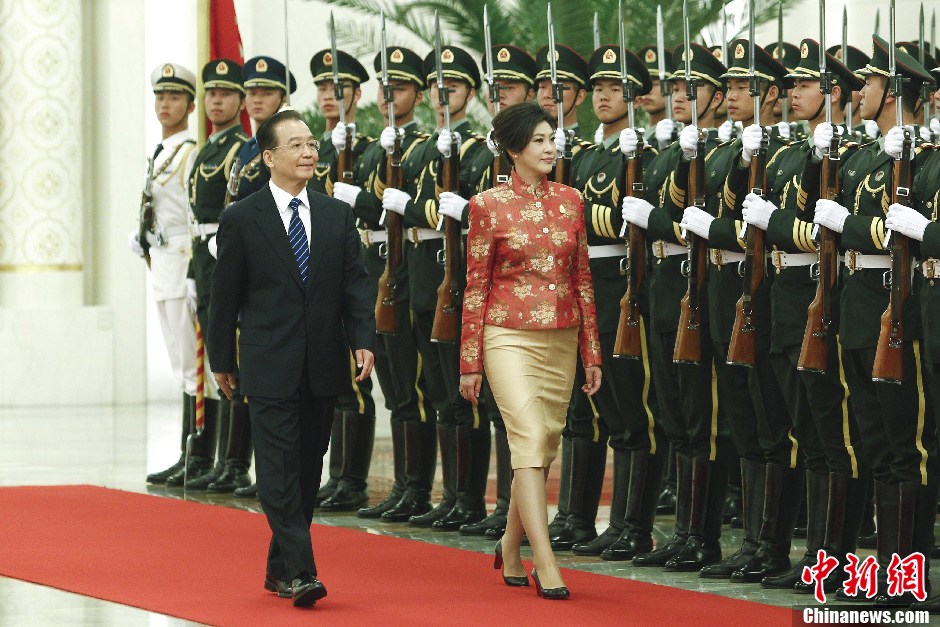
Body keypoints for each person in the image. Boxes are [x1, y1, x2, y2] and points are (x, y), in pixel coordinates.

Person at [208, 108, 375, 607]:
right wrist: (221, 359)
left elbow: (355, 285)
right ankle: (302, 571)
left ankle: (278, 567)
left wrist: (362, 338)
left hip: (322, 362)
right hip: (267, 362)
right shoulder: (241, 217)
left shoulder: (334, 214)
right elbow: (225, 296)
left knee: (306, 467)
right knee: (278, 467)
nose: (308, 152)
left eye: (311, 144)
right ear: (269, 157)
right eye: (296, 145)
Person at [737, 39, 868, 592]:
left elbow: (826, 232)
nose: (791, 94)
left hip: (825, 302)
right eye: (788, 86)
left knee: (835, 434)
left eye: (803, 86)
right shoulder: (792, 151)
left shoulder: (851, 154)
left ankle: (837, 556)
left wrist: (783, 220)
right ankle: (816, 554)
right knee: (807, 434)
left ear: (833, 92)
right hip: (785, 303)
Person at [811, 37, 937, 604]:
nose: (857, 93)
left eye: (868, 84)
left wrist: (857, 228)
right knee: (874, 443)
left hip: (902, 314)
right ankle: (888, 575)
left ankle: (906, 582)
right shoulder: (865, 158)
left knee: (907, 446)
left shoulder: (929, 162)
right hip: (860, 312)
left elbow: (897, 231)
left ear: (897, 92)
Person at [459, 101, 602, 599]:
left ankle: (510, 544)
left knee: (541, 447)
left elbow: (581, 278)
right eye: (539, 140)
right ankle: (547, 561)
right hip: (506, 335)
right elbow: (474, 287)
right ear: (513, 149)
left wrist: (592, 353)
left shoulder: (571, 200)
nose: (550, 147)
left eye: (551, 138)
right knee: (528, 436)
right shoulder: (485, 205)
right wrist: (469, 362)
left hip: (561, 337)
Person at [622, 43, 732, 569]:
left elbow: (706, 226)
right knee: (676, 419)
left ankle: (703, 535)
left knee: (702, 419)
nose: (681, 97)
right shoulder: (672, 152)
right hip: (664, 292)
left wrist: (658, 221)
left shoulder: (722, 156)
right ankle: (684, 533)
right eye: (677, 88)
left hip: (701, 294)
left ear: (715, 97)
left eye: (696, 89)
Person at [381, 45, 492, 530]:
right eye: (435, 84)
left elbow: (473, 212)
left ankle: (468, 498)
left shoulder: (477, 148)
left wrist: (415, 208)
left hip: (459, 273)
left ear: (471, 91)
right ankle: (446, 496)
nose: (441, 91)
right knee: (440, 392)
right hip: (426, 278)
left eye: (453, 84)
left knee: (464, 394)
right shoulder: (424, 146)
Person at [562, 44, 664, 560]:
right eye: (598, 87)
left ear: (636, 96)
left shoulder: (641, 153)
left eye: (615, 88)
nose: (604, 96)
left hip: (620, 284)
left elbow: (632, 222)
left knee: (631, 404)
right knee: (597, 403)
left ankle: (634, 525)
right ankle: (591, 520)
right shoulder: (582, 155)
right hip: (583, 282)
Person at [332, 46, 436, 520]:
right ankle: (402, 486)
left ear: (417, 92)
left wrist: (365, 204)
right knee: (394, 389)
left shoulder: (425, 149)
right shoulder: (374, 149)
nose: (388, 93)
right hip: (373, 268)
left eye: (400, 86)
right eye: (384, 86)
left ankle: (418, 488)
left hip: (406, 270)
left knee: (414, 386)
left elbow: (412, 210)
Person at [201, 55, 298, 496]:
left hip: (271, 270)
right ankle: (234, 461)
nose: (257, 99)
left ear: (282, 97)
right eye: (252, 91)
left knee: (269, 372)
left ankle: (261, 468)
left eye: (266, 92)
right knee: (241, 364)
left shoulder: (285, 145)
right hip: (240, 259)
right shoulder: (246, 148)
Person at [461, 43, 538, 540]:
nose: (499, 96)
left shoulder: (549, 154)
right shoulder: (477, 158)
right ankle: (498, 510)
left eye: (509, 88)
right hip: (496, 308)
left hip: (544, 309)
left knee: (541, 425)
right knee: (501, 412)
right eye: (496, 89)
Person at [307, 47, 380, 512]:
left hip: (365, 269)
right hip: (323, 274)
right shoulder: (313, 150)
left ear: (356, 92)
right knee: (334, 378)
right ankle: (337, 475)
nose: (328, 95)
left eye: (337, 87)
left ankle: (353, 478)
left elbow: (383, 210)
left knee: (358, 379)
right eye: (321, 88)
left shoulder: (374, 150)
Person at [178, 58, 249, 487]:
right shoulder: (207, 149)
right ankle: (215, 456)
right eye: (212, 93)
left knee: (233, 358)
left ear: (239, 100)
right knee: (214, 357)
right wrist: (191, 269)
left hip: (227, 256)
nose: (216, 100)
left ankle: (235, 461)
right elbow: (192, 217)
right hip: (204, 258)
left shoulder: (242, 148)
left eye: (225, 93)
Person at [135, 63, 198, 485]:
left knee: (193, 364)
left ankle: (195, 453)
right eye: (160, 96)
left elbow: (197, 215)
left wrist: (195, 266)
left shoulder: (190, 152)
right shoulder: (161, 153)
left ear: (191, 105)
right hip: (162, 262)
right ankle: (185, 453)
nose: (165, 104)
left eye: (174, 97)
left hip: (183, 261)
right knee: (179, 360)